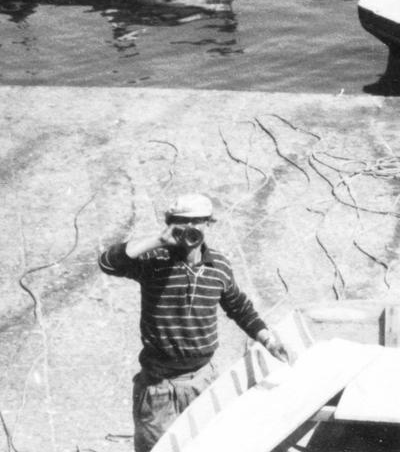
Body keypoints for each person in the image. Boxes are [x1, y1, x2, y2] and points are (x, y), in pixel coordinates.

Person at [99, 191, 289, 452]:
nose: (191, 228)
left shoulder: (219, 266)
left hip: (203, 381)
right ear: (170, 223)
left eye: (198, 221)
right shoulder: (154, 261)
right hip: (158, 386)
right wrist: (158, 240)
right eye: (181, 221)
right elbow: (108, 263)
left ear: (209, 223)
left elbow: (239, 307)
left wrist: (268, 339)